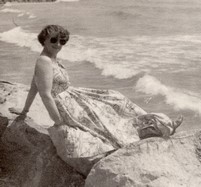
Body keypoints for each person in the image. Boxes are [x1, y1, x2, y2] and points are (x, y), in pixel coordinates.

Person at [9, 25, 183, 146]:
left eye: (62, 41)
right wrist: (58, 122)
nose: (58, 44)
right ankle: (159, 127)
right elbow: (44, 94)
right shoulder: (44, 61)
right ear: (44, 40)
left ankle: (160, 123)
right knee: (108, 124)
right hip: (66, 106)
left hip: (73, 96)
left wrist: (24, 111)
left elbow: (33, 86)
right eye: (54, 40)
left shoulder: (49, 58)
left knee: (115, 98)